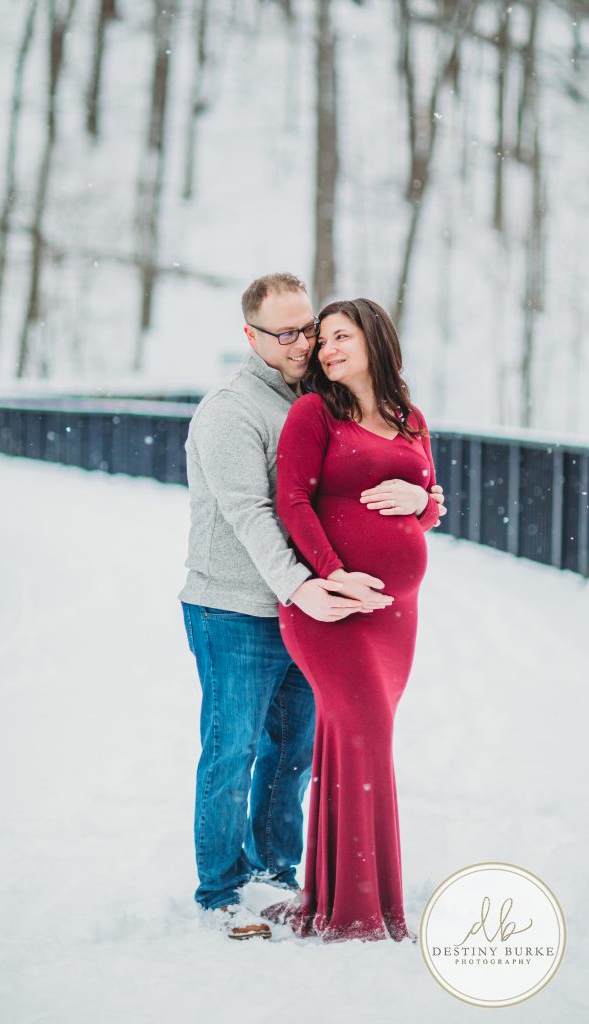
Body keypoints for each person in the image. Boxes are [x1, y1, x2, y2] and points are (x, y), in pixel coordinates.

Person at [179, 275, 446, 940]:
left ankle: (275, 868)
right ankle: (220, 889)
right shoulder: (231, 411)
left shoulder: (325, 396)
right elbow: (255, 510)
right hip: (237, 604)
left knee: (294, 749)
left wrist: (424, 502)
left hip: (323, 607)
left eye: (313, 328)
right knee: (230, 748)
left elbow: (410, 476)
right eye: (288, 333)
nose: (305, 344)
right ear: (252, 337)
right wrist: (310, 584)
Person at [261, 297, 442, 943]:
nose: (327, 348)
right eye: (322, 340)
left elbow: (423, 512)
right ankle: (352, 910)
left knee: (363, 742)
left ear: (373, 340)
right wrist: (332, 573)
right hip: (330, 610)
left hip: (397, 616)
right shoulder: (315, 413)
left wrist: (421, 499)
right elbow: (289, 500)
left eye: (340, 336)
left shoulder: (408, 417)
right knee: (361, 737)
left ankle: (350, 895)